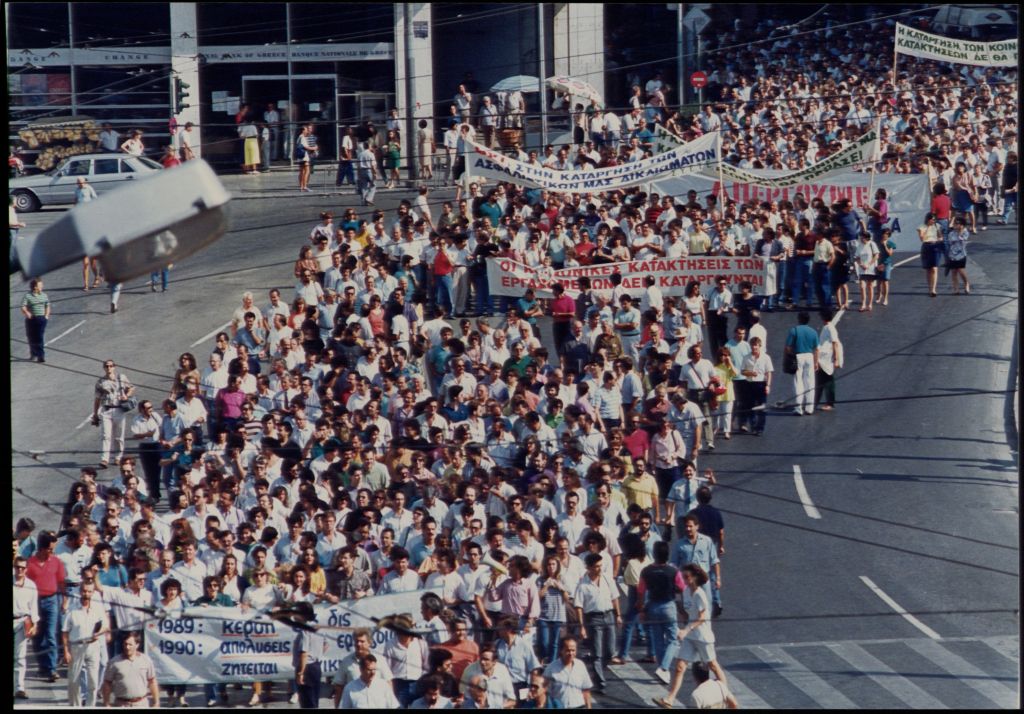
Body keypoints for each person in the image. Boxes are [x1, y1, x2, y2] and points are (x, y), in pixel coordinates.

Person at [652, 564, 728, 709]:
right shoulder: (686, 592)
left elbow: (701, 618)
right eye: (683, 577)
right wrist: (679, 610)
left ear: (694, 577)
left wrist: (686, 630)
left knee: (713, 665)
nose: (685, 580)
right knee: (680, 667)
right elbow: (688, 613)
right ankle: (670, 699)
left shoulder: (700, 594)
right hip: (690, 636)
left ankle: (726, 695)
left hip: (703, 636)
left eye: (687, 577)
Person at [574, 552, 622, 694]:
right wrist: (581, 626)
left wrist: (618, 615)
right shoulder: (583, 584)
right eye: (596, 567)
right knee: (596, 652)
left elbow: (615, 597)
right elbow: (579, 606)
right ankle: (600, 682)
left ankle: (600, 668)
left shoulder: (607, 579)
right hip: (593, 618)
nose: (599, 569)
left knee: (609, 650)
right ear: (588, 568)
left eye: (600, 566)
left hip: (609, 616)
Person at [62, 580, 111, 707]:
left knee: (93, 681)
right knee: (74, 681)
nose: (86, 594)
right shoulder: (72, 610)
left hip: (93, 646)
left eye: (89, 591)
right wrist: (66, 651)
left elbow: (106, 626)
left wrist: (98, 633)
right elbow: (65, 632)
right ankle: (75, 706)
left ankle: (90, 705)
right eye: (84, 591)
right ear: (80, 591)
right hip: (76, 646)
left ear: (93, 593)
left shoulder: (97, 609)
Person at [92, 359, 135, 469]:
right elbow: (97, 399)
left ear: (114, 367)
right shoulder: (101, 382)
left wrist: (126, 396)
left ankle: (118, 456)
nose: (109, 368)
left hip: (119, 410)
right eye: (106, 366)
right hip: (106, 410)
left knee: (119, 436)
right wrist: (95, 414)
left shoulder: (121, 378)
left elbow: (131, 388)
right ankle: (104, 458)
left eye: (111, 366)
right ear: (104, 368)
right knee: (106, 435)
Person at [100, 631, 159, 708]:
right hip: (121, 704)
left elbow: (152, 682)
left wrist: (156, 702)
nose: (127, 647)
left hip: (141, 704)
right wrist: (106, 703)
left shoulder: (146, 661)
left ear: (137, 645)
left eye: (130, 644)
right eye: (125, 644)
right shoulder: (114, 662)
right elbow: (107, 683)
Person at [13, 555, 39, 699]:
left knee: (20, 656)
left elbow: (33, 608)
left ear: (26, 569)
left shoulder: (31, 585)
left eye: (23, 568)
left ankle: (19, 687)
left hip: (22, 621)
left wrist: (34, 624)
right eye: (17, 567)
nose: (20, 570)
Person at [784, 312, 818, 416]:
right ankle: (809, 408)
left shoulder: (794, 330)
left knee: (798, 382)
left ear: (799, 319)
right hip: (809, 356)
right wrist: (816, 362)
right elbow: (816, 349)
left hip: (798, 356)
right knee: (810, 382)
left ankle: (799, 408)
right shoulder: (813, 332)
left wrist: (789, 356)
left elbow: (788, 347)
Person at [543, 637, 592, 709]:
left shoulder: (581, 665)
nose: (571, 653)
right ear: (561, 650)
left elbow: (586, 690)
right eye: (568, 650)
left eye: (573, 650)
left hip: (579, 706)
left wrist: (589, 707)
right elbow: (544, 692)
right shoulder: (551, 668)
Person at [75, 176, 102, 290]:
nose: (80, 185)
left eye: (81, 183)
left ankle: (96, 277)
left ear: (84, 182)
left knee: (93, 263)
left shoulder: (89, 189)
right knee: (85, 263)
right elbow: (76, 200)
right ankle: (85, 284)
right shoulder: (77, 191)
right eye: (78, 183)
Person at [815, 307, 842, 412]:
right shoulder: (827, 327)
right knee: (821, 380)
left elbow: (835, 343)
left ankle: (829, 402)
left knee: (827, 380)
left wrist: (836, 359)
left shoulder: (830, 328)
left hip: (826, 359)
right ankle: (816, 401)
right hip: (823, 358)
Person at [21, 277, 50, 363]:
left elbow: (47, 306)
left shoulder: (44, 295)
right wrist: (27, 312)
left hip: (41, 319)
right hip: (31, 319)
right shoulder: (28, 296)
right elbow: (23, 306)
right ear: (35, 287)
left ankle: (40, 356)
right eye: (40, 285)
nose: (42, 286)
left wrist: (46, 315)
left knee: (39, 337)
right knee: (30, 337)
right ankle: (33, 353)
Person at [853, 231, 879, 312]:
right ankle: (863, 303)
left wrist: (869, 264)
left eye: (862, 237)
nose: (861, 238)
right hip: (862, 269)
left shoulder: (872, 244)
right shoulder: (859, 245)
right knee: (862, 286)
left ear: (866, 237)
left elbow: (876, 255)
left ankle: (870, 304)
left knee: (870, 286)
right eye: (860, 237)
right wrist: (860, 264)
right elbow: (856, 257)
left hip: (871, 269)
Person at [946, 216, 971, 295]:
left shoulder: (965, 232)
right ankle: (956, 288)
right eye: (954, 223)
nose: (955, 225)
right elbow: (950, 241)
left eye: (957, 224)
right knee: (953, 272)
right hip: (952, 254)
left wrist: (960, 233)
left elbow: (963, 240)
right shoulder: (951, 233)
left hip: (961, 254)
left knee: (961, 271)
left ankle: (966, 283)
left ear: (962, 225)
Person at [297, 123, 317, 192]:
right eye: (305, 130)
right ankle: (305, 186)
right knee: (306, 171)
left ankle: (301, 187)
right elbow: (306, 147)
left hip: (300, 157)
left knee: (301, 171)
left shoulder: (299, 137)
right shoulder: (302, 137)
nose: (307, 131)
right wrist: (314, 148)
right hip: (304, 157)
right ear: (303, 130)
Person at [357, 141, 379, 206]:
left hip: (361, 170)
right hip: (369, 170)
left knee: (364, 186)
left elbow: (358, 165)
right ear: (369, 146)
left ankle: (363, 201)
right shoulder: (371, 154)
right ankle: (369, 198)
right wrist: (375, 173)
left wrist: (358, 174)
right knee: (373, 185)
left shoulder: (360, 154)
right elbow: (373, 165)